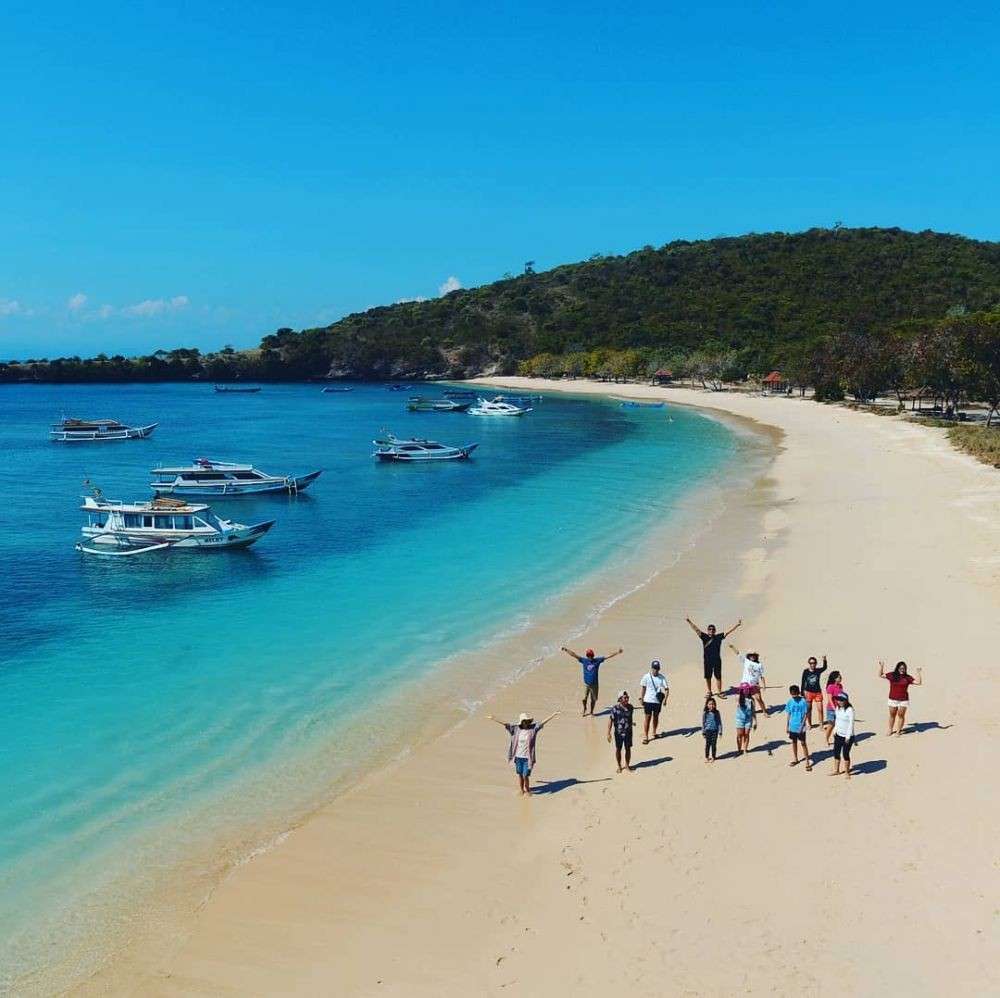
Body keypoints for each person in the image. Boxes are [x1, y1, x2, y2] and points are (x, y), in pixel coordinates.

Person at [488, 710, 560, 795]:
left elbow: (542, 722)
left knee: (525, 775)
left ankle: (528, 790)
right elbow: (506, 724)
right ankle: (521, 790)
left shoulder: (533, 729)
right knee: (520, 774)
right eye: (524, 721)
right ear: (521, 722)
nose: (525, 723)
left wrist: (553, 714)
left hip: (527, 758)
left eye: (527, 721)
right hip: (518, 757)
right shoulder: (516, 729)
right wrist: (494, 718)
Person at [686, 616, 743, 696]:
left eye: (713, 629)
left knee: (718, 677)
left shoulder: (718, 637)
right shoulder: (704, 637)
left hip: (717, 660)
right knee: (708, 677)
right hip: (707, 661)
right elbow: (696, 629)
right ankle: (709, 691)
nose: (711, 630)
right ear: (708, 630)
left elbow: (727, 632)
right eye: (710, 629)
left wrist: (737, 625)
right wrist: (689, 621)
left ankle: (719, 692)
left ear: (715, 631)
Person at [560, 645, 623, 716]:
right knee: (584, 699)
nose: (590, 657)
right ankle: (584, 708)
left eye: (591, 655)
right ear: (587, 656)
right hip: (586, 684)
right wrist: (566, 649)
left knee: (593, 699)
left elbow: (607, 656)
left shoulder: (597, 660)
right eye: (588, 655)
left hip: (595, 684)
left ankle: (591, 711)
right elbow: (574, 655)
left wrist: (617, 652)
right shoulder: (584, 660)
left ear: (593, 655)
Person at [879, 659, 923, 735]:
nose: (902, 670)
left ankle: (898, 730)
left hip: (903, 700)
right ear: (898, 668)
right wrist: (882, 666)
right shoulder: (892, 675)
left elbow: (918, 682)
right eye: (901, 668)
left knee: (901, 715)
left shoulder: (907, 677)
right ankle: (890, 729)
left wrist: (918, 672)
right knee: (892, 714)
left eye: (904, 668)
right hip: (892, 698)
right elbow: (881, 675)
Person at [729, 644, 766, 713]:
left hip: (754, 684)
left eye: (754, 655)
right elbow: (738, 653)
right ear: (749, 656)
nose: (753, 656)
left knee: (759, 698)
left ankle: (764, 711)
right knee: (743, 698)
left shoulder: (759, 664)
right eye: (751, 655)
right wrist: (733, 647)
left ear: (756, 656)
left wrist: (764, 685)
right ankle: (749, 710)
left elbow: (762, 676)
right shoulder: (746, 661)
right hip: (745, 684)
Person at [639, 660, 669, 743]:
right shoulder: (646, 676)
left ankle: (654, 732)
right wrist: (641, 698)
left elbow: (667, 689)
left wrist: (665, 700)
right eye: (654, 668)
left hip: (657, 701)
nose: (656, 670)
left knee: (656, 717)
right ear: (651, 668)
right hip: (648, 700)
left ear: (659, 669)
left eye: (657, 668)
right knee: (647, 718)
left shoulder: (662, 677)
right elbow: (643, 688)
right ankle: (646, 736)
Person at [784, 685, 812, 771]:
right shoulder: (790, 702)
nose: (794, 696)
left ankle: (807, 761)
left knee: (803, 743)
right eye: (792, 694)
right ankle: (795, 759)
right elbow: (788, 714)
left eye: (795, 694)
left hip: (801, 726)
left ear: (798, 693)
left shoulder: (803, 701)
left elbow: (805, 714)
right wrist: (787, 726)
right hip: (792, 726)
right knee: (794, 742)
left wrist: (802, 726)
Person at [607, 690, 636, 773]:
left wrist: (631, 723)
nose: (627, 699)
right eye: (625, 697)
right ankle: (619, 766)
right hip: (618, 733)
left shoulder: (631, 707)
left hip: (628, 732)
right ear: (620, 699)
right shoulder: (615, 708)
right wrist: (608, 733)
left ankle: (627, 765)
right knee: (618, 749)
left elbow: (628, 718)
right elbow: (611, 720)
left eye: (628, 697)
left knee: (628, 749)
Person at [830, 692, 856, 779]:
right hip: (838, 734)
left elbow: (851, 724)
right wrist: (835, 730)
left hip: (847, 737)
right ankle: (836, 770)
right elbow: (837, 720)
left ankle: (847, 772)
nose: (839, 702)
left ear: (846, 701)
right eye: (838, 700)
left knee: (845, 754)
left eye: (841, 700)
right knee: (836, 753)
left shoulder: (850, 710)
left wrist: (848, 737)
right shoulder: (838, 708)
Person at [800, 655, 828, 728]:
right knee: (809, 709)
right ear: (809, 663)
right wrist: (802, 692)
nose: (812, 664)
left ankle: (821, 724)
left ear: (816, 663)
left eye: (814, 663)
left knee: (820, 709)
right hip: (808, 692)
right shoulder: (805, 671)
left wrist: (824, 660)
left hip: (818, 692)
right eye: (811, 663)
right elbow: (803, 682)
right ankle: (809, 724)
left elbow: (824, 668)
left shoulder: (818, 670)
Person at [823, 670, 845, 746]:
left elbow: (841, 697)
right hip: (831, 709)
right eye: (839, 677)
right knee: (831, 725)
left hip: (839, 708)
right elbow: (830, 699)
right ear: (835, 678)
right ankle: (826, 739)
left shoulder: (840, 686)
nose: (841, 678)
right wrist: (834, 708)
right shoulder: (830, 687)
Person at [734, 688, 756, 755]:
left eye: (748, 689)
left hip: (748, 719)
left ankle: (745, 750)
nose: (746, 691)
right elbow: (736, 695)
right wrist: (740, 691)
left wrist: (755, 721)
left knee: (746, 734)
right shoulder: (738, 697)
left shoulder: (751, 700)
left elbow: (753, 711)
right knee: (739, 735)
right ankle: (739, 750)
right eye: (744, 689)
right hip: (739, 719)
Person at [702, 697, 723, 762]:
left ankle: (713, 757)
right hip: (708, 730)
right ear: (707, 705)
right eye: (710, 704)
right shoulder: (705, 713)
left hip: (715, 730)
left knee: (714, 744)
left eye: (713, 704)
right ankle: (707, 757)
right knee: (707, 744)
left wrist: (720, 731)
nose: (711, 706)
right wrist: (703, 731)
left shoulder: (717, 712)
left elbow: (719, 722)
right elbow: (703, 722)